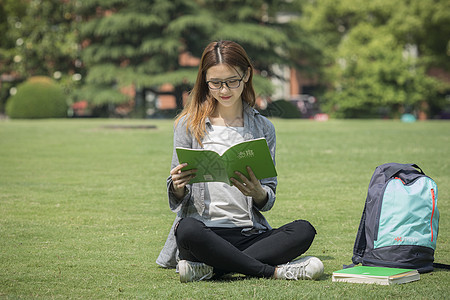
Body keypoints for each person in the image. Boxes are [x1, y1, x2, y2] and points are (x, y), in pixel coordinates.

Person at [156, 40, 323, 282]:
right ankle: (274, 272)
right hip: (204, 233)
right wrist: (178, 186)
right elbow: (176, 193)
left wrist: (259, 193)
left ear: (246, 75)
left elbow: (268, 197)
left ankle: (211, 269)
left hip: (248, 232)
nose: (224, 90)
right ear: (204, 80)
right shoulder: (188, 125)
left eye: (231, 81)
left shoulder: (263, 128)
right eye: (215, 83)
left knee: (303, 230)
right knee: (187, 229)